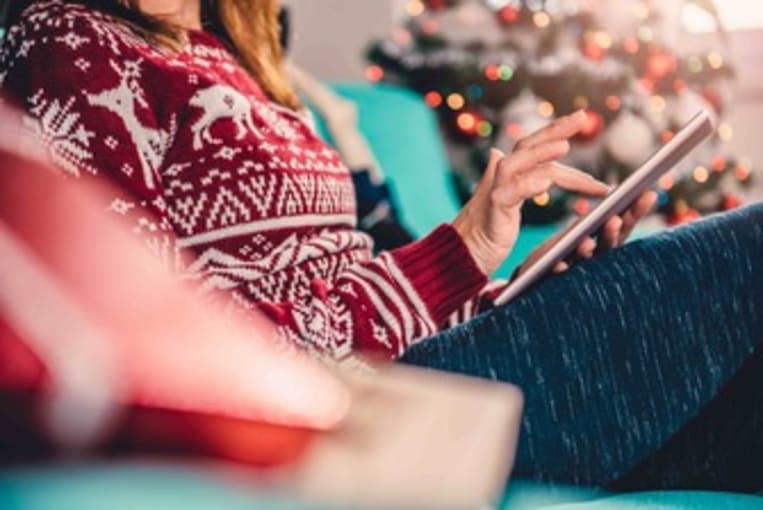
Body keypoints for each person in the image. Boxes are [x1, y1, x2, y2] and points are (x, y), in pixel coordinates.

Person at [1, 0, 761, 491]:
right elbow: (178, 346)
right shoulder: (71, 40)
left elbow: (349, 278)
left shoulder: (236, 59)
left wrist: (505, 286)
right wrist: (454, 253)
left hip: (416, 362)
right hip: (350, 404)